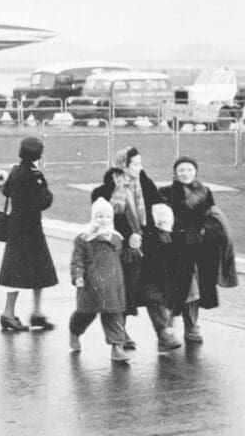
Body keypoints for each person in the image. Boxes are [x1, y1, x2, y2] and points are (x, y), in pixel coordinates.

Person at [157, 157, 238, 345]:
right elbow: (164, 217)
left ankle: (190, 326)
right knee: (181, 288)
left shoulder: (204, 191)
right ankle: (172, 326)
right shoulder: (166, 192)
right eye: (181, 170)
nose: (185, 173)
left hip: (201, 247)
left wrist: (205, 230)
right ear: (175, 173)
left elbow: (211, 214)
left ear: (195, 172)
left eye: (189, 170)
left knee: (195, 288)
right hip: (176, 248)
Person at [90, 146, 165, 349]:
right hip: (121, 251)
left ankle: (163, 334)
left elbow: (159, 202)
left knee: (152, 291)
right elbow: (103, 218)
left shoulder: (145, 183)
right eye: (136, 164)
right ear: (124, 165)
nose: (140, 167)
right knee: (122, 293)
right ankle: (119, 337)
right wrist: (128, 235)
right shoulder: (107, 189)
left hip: (146, 248)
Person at [0, 137, 58, 331]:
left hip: (16, 226)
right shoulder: (34, 174)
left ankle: (10, 312)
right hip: (31, 228)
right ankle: (36, 312)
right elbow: (44, 201)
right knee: (39, 269)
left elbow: (6, 191)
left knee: (14, 272)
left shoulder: (15, 171)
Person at [69, 198, 133, 362]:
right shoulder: (84, 239)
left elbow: (125, 257)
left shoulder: (116, 238)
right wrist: (77, 276)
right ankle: (75, 332)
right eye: (100, 217)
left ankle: (117, 347)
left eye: (107, 217)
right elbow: (78, 260)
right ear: (93, 217)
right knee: (85, 314)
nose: (103, 220)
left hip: (113, 286)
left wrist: (135, 250)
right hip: (91, 285)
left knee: (114, 316)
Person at [137, 203, 185, 350]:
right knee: (155, 302)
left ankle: (164, 339)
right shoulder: (151, 236)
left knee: (164, 305)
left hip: (165, 277)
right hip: (152, 277)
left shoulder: (172, 236)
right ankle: (165, 335)